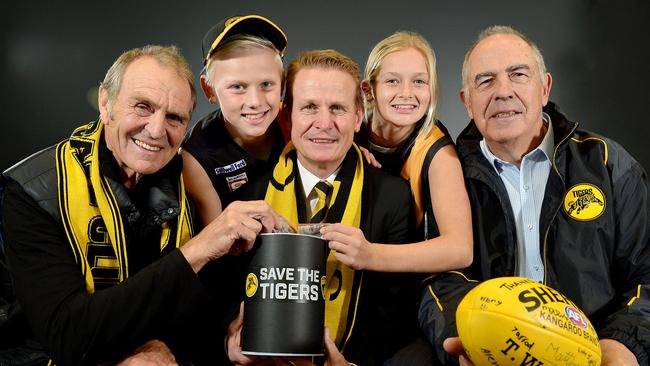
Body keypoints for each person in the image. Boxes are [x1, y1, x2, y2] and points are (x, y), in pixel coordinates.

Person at [1, 45, 282, 365]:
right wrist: (200, 247)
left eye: (175, 117)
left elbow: (201, 312)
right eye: (142, 107)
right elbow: (68, 336)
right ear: (106, 104)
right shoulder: (33, 192)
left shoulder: (191, 182)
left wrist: (229, 339)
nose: (156, 129)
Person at [418, 25, 650, 365]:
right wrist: (469, 337)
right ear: (467, 102)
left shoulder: (607, 164)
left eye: (518, 74)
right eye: (485, 80)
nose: (503, 92)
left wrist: (623, 345)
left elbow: (645, 274)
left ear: (544, 88)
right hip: (493, 354)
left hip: (598, 351)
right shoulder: (447, 176)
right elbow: (437, 281)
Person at [226, 49, 421, 365]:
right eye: (310, 107)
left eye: (338, 109)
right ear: (287, 117)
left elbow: (396, 313)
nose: (324, 123)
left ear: (358, 117)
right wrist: (230, 342)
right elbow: (225, 298)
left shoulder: (393, 195)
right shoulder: (249, 197)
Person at [335, 30, 472, 274]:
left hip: (408, 282)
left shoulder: (437, 152)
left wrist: (371, 255)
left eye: (419, 81)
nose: (406, 93)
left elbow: (460, 249)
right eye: (392, 81)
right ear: (368, 90)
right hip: (343, 271)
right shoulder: (346, 133)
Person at [182, 15, 288, 227]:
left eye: (267, 84)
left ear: (283, 84)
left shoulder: (297, 122)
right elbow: (216, 243)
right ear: (209, 89)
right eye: (237, 87)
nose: (255, 101)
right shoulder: (197, 156)